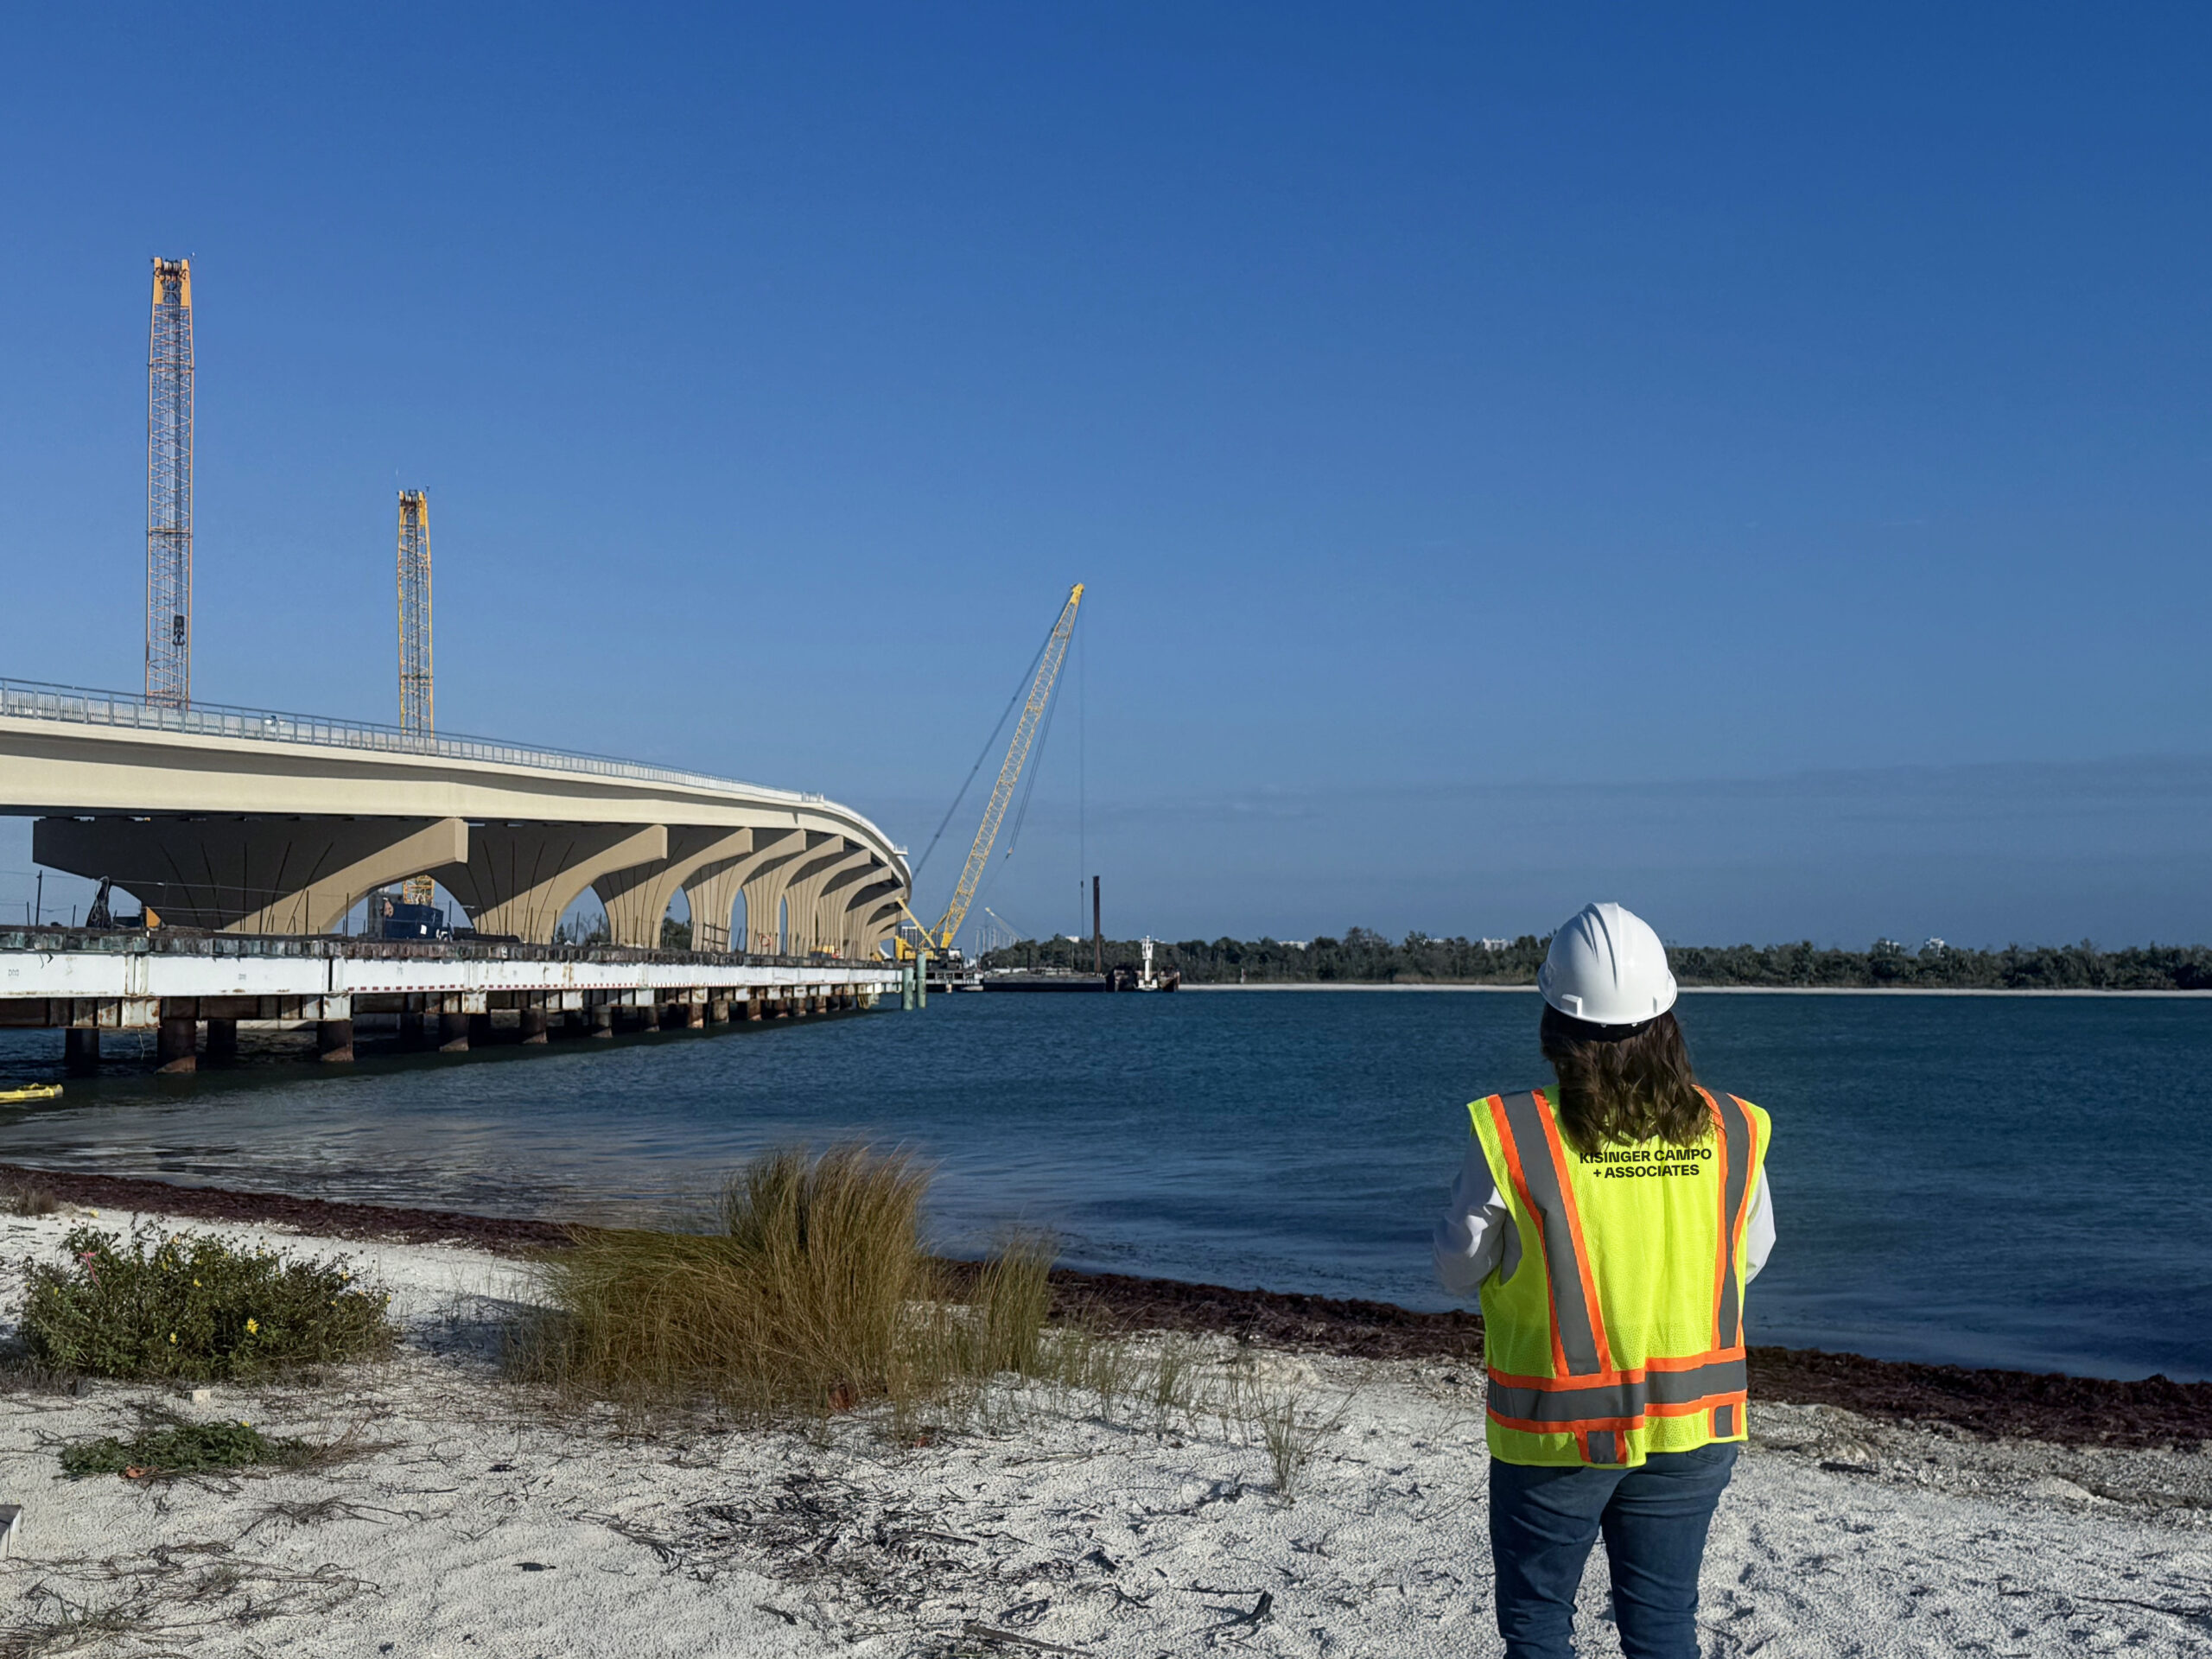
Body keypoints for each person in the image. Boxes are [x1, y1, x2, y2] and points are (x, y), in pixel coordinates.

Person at [1434, 901, 1774, 1659]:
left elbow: (1459, 1268)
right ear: (1667, 1016)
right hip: (1694, 1427)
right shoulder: (1734, 1128)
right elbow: (1749, 1255)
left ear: (1555, 1019)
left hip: (1554, 1434)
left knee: (1537, 1624)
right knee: (1661, 1628)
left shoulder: (1518, 1131)